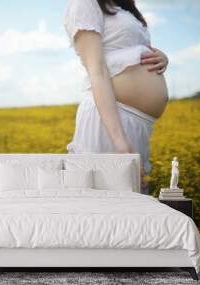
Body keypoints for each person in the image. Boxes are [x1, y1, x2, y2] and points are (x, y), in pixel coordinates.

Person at [64, 0, 169, 193]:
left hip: (137, 124)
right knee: (105, 204)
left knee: (131, 203)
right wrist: (119, 141)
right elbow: (96, 70)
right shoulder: (84, 3)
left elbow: (131, 52)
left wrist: (161, 57)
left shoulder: (123, 7)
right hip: (110, 119)